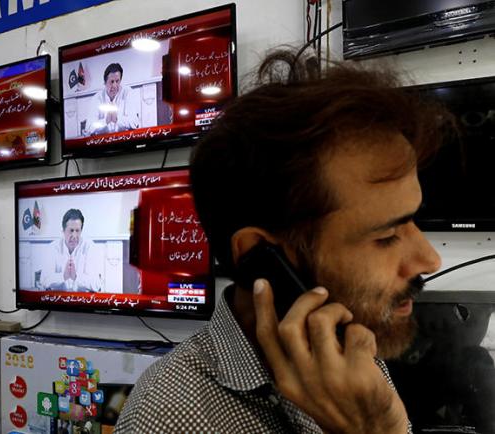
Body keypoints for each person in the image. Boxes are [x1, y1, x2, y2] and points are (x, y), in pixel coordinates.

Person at [115, 49, 455, 433]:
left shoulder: (348, 349)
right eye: (387, 236)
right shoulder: (170, 418)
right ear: (262, 257)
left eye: (413, 222)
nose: (429, 259)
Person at [40, 209, 101, 292]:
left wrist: (76, 277)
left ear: (81, 231)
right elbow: (44, 280)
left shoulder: (89, 247)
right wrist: (63, 276)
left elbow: (96, 284)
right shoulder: (53, 247)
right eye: (71, 230)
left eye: (77, 231)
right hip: (58, 300)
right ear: (63, 231)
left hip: (82, 301)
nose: (74, 235)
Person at [85, 63, 139, 135]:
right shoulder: (96, 98)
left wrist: (117, 119)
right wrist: (106, 121)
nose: (114, 85)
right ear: (105, 82)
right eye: (111, 81)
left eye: (117, 81)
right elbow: (88, 127)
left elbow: (135, 122)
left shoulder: (128, 93)